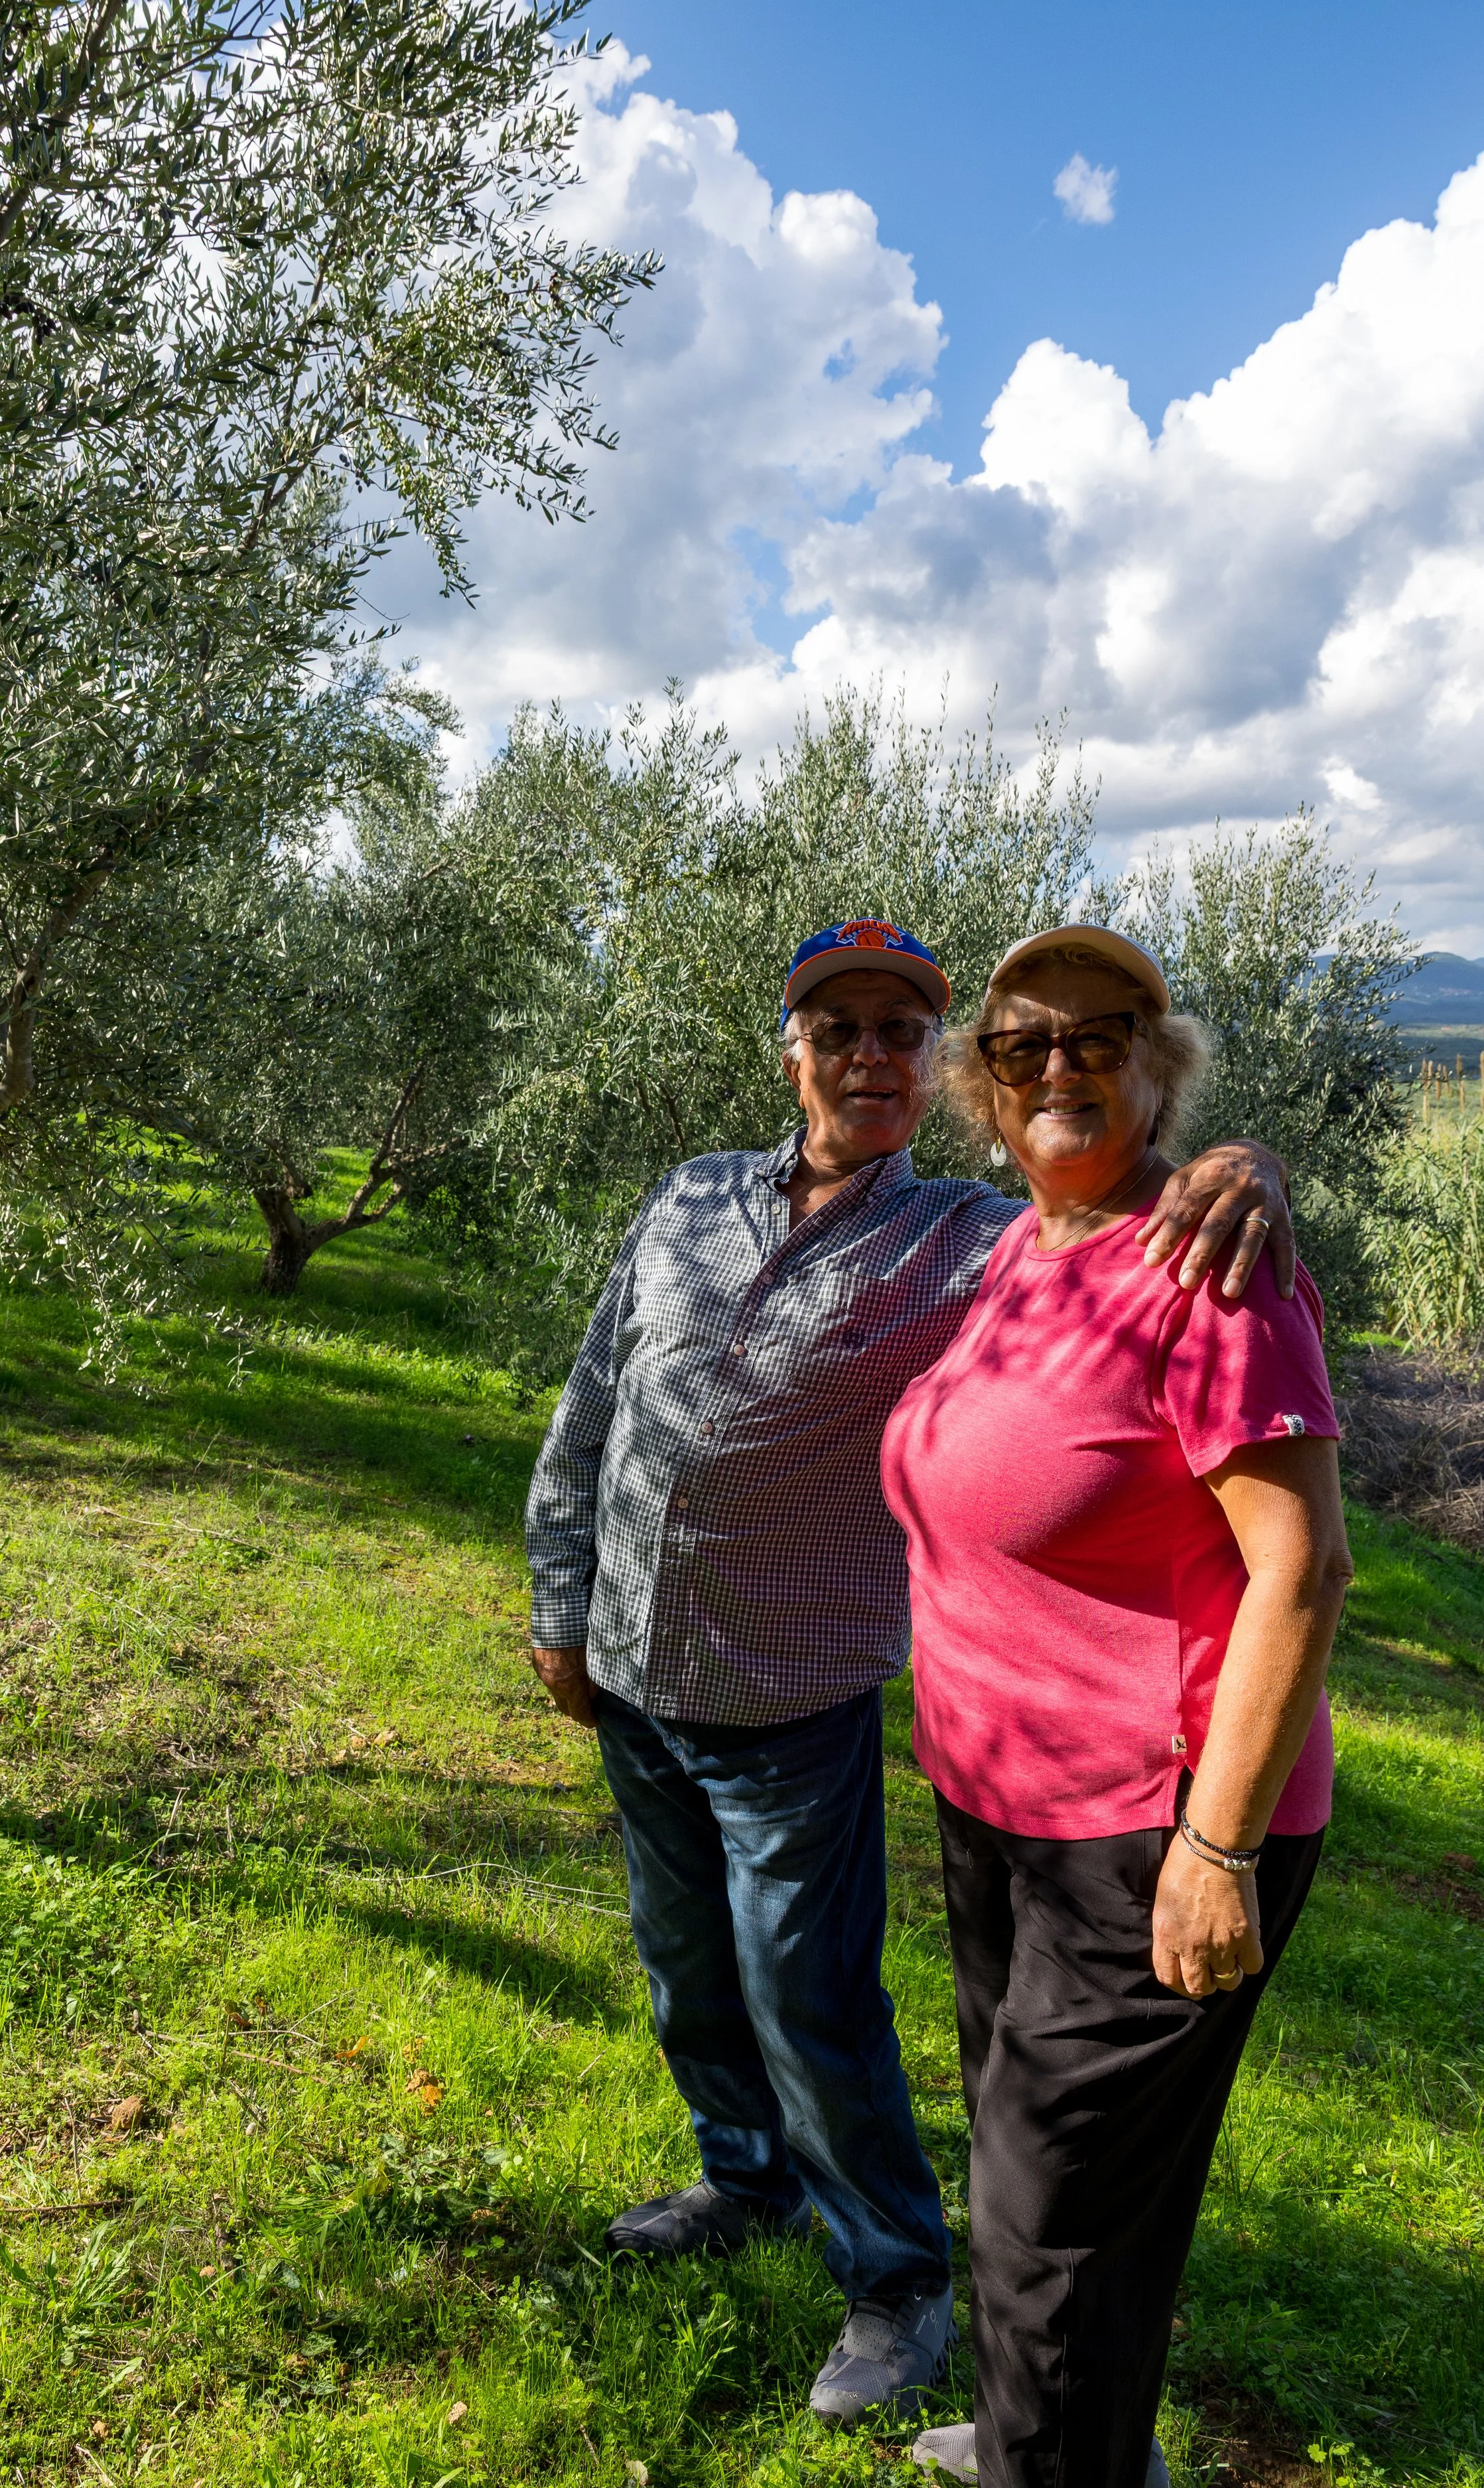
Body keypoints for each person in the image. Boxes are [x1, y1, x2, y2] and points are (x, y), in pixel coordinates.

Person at [525, 917, 1296, 2428]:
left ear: (933, 1067)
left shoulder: (963, 1234)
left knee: (806, 2001)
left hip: (787, 1692)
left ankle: (893, 2275)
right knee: (687, 1976)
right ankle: (737, 2181)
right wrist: (562, 1594)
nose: (867, 1056)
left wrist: (1248, 1160)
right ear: (791, 1052)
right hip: (630, 1666)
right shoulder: (685, 1196)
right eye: (838, 1029)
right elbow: (595, 1395)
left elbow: (1110, 1206)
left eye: (899, 1033)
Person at [882, 927, 1351, 2488]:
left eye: (1102, 1036)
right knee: (1071, 2193)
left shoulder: (1208, 1266)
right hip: (1004, 1800)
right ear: (984, 1092)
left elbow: (1301, 1570)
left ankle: (1050, 2455)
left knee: (1046, 2207)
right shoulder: (1024, 1244)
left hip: (1154, 1823)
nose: (1062, 1066)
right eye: (1023, 1049)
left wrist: (1212, 1854)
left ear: (1158, 1064)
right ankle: (1060, 2435)